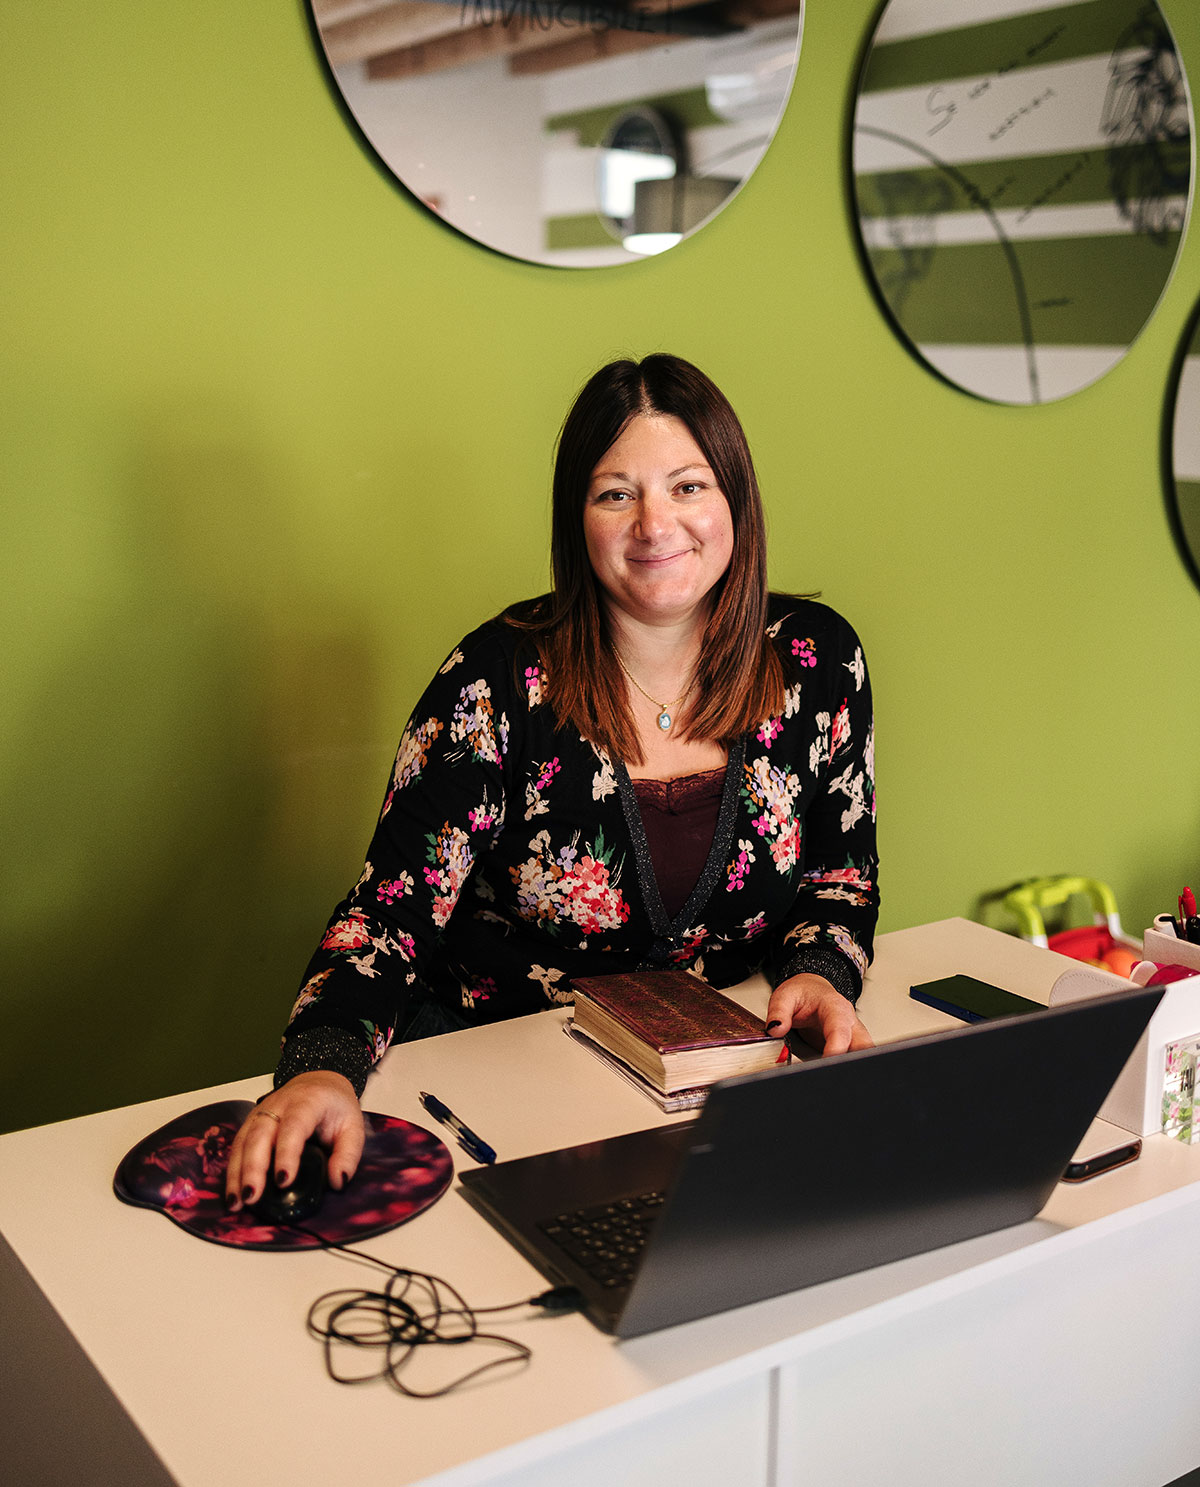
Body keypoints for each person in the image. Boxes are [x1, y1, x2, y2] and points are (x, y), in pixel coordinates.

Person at [225, 355, 878, 1208]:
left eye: (688, 486)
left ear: (735, 503)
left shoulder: (817, 660)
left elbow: (840, 876)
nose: (655, 524)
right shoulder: (493, 681)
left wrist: (822, 972)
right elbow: (389, 914)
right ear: (578, 519)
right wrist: (323, 1069)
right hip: (495, 1087)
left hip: (713, 1091)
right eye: (615, 494)